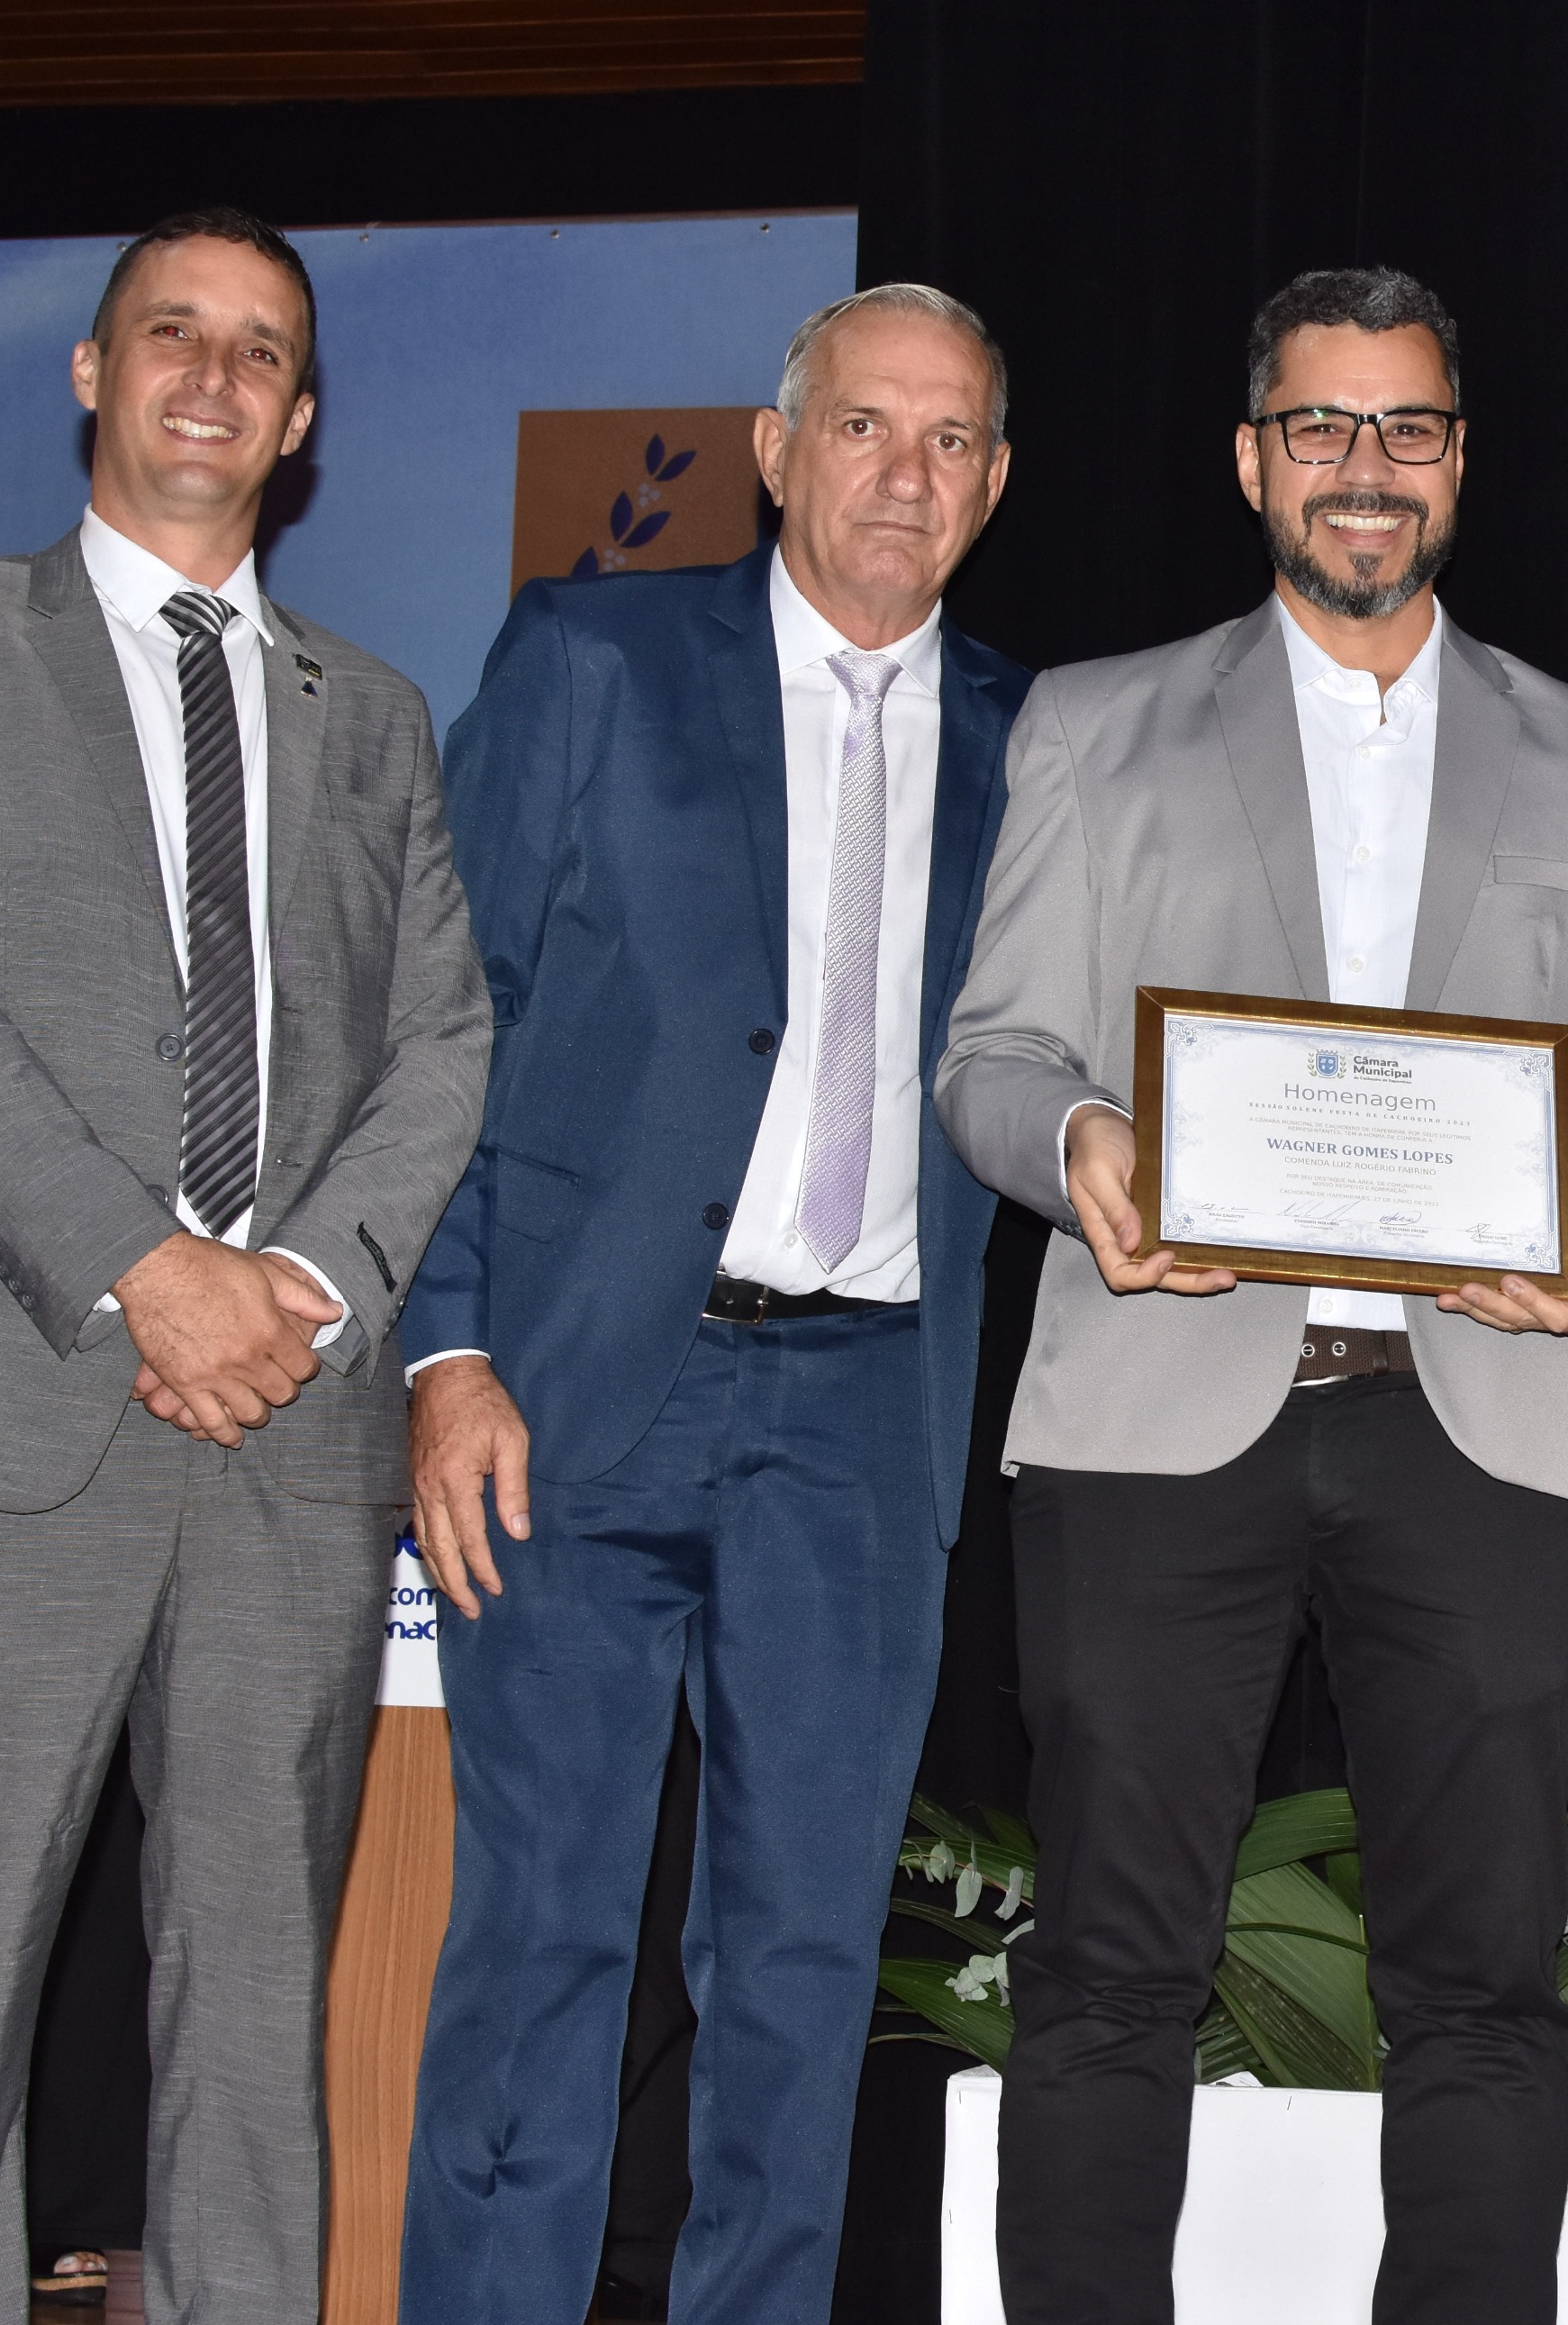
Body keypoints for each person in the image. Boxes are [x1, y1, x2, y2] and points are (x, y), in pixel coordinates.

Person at [938, 264, 1568, 2324]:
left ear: (1461, 463)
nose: (1363, 466)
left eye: (1407, 427)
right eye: (1320, 425)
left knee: (1481, 1988)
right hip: (1151, 1408)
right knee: (1105, 1970)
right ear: (1249, 458)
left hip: (1483, 1417)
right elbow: (994, 1058)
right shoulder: (1094, 723)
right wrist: (1080, 1147)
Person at [0, 204, 489, 2322]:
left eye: (259, 349)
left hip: (289, 1429)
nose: (213, 373)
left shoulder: (376, 718)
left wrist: (310, 1290)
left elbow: (444, 1039)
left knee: (259, 2010)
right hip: (0, 1407)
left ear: (301, 418)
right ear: (93, 372)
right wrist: (144, 1266)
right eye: (170, 332)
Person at [394, 282, 1027, 2320]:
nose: (903, 475)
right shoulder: (594, 657)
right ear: (773, 449)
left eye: (949, 440)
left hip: (864, 1416)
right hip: (579, 1395)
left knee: (801, 1962)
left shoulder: (1037, 740)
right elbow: (444, 1018)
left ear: (994, 484)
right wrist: (446, 1345)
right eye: (863, 426)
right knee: (542, 1935)